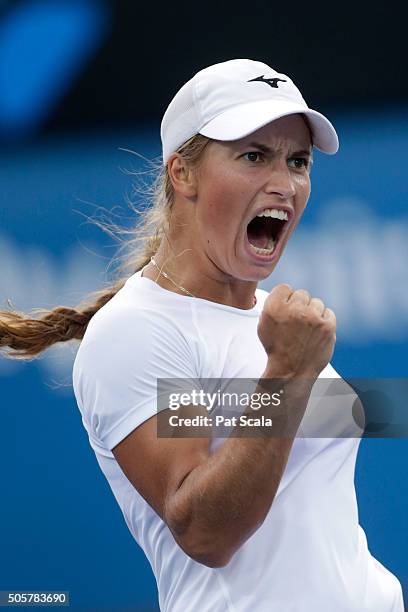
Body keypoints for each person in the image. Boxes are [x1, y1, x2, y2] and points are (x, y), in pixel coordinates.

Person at [0, 59, 404, 611]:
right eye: (254, 156)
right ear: (182, 173)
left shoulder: (267, 323)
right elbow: (206, 532)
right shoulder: (136, 331)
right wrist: (287, 373)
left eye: (298, 161)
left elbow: (325, 429)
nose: (284, 183)